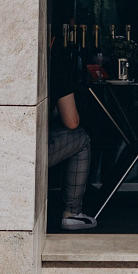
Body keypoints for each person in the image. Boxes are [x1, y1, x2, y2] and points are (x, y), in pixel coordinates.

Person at [49, 34, 96, 231]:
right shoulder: (53, 67)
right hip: (32, 150)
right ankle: (72, 213)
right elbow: (72, 121)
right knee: (81, 138)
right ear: (52, 40)